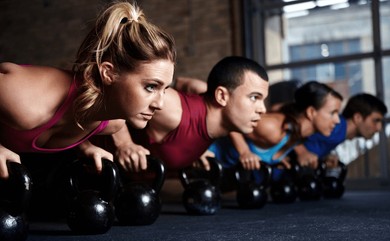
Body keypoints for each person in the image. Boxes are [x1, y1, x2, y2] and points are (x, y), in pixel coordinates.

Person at [0, 1, 176, 179]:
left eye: (164, 89)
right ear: (108, 73)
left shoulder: (112, 123)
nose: (160, 104)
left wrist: (84, 147)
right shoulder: (26, 102)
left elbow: (64, 122)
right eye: (151, 86)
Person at [109, 56, 269, 173]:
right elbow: (111, 91)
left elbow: (184, 83)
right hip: (94, 168)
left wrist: (194, 151)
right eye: (254, 97)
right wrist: (124, 143)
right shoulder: (171, 109)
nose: (262, 109)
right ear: (221, 96)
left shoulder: (213, 126)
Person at [205, 81, 343, 174]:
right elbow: (228, 117)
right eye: (333, 113)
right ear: (311, 112)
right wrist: (245, 151)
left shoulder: (297, 134)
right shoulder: (274, 128)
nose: (337, 120)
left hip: (216, 171)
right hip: (202, 153)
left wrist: (275, 158)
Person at [294, 93, 388, 169]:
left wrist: (323, 158)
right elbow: (290, 129)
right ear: (357, 117)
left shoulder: (340, 133)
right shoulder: (336, 127)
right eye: (375, 121)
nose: (379, 128)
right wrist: (301, 151)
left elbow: (311, 144)